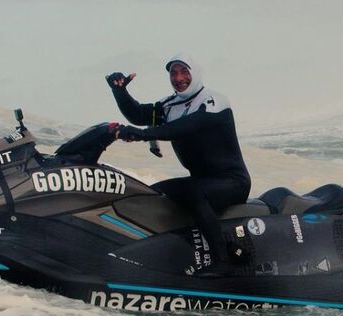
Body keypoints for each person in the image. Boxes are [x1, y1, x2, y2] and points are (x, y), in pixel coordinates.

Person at [105, 52, 250, 271]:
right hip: (201, 181)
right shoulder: (170, 105)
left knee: (194, 193)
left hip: (232, 182)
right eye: (173, 73)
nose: (178, 78)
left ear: (195, 73)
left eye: (184, 71)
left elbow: (186, 127)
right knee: (151, 193)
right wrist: (119, 91)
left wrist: (142, 134)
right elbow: (137, 114)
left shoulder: (213, 101)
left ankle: (222, 262)